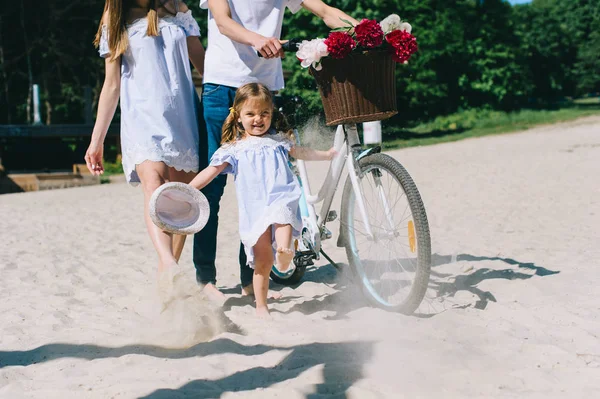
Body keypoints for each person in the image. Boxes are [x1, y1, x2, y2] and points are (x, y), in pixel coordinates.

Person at [194, 0, 358, 300]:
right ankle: (205, 278)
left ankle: (250, 280)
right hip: (223, 86)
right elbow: (222, 21)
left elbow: (324, 11)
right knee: (214, 187)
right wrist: (257, 39)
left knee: (263, 189)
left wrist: (364, 31)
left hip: (263, 86)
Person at [189, 82, 336, 316]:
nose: (258, 119)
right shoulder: (234, 149)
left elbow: (302, 153)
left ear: (271, 114)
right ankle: (261, 305)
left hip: (282, 200)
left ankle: (286, 254)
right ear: (238, 117)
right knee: (262, 263)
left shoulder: (279, 141)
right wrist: (189, 189)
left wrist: (327, 155)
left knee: (284, 224)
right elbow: (211, 171)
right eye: (251, 114)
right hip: (255, 211)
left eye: (264, 113)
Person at [85, 0, 206, 276]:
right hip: (142, 117)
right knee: (154, 184)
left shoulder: (178, 8)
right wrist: (97, 140)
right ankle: (170, 263)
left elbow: (203, 66)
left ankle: (168, 276)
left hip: (182, 116)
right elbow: (112, 84)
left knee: (180, 197)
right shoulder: (115, 16)